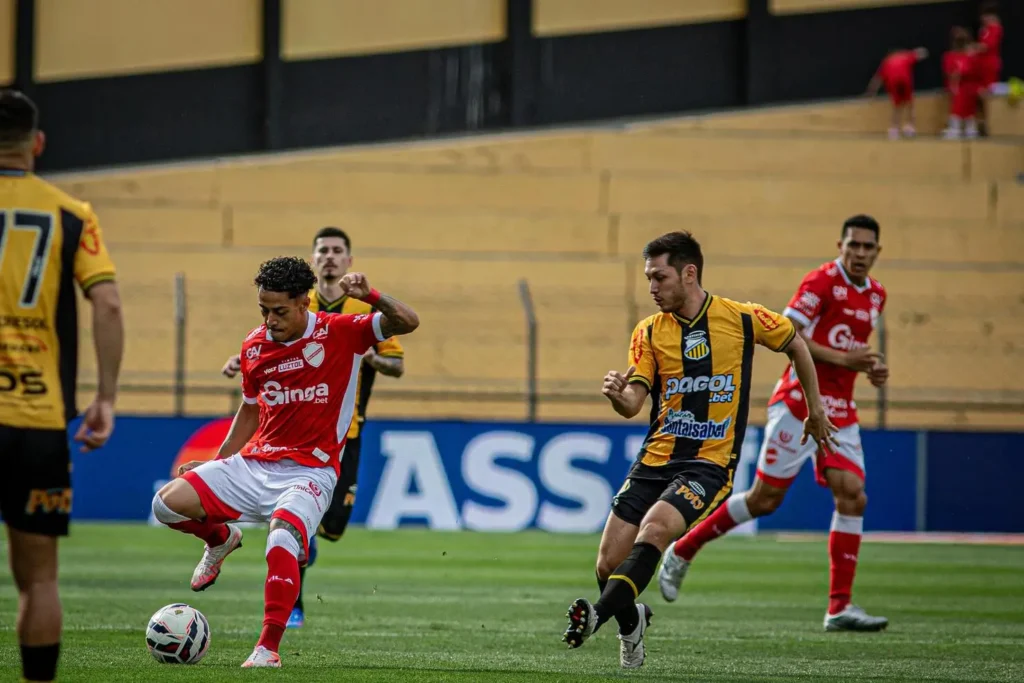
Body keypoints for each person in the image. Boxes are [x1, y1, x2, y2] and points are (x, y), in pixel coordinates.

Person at [562, 231, 837, 669]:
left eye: (659, 277)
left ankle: (595, 617)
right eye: (649, 278)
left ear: (689, 273)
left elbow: (795, 344)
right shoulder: (649, 331)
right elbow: (634, 403)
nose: (651, 288)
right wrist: (617, 395)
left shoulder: (744, 319)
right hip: (654, 460)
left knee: (654, 530)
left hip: (708, 463)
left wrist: (815, 408)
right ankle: (632, 623)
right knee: (607, 564)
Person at [154, 257, 418, 668]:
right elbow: (249, 411)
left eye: (279, 311)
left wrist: (371, 296)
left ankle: (267, 649)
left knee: (282, 540)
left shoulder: (343, 332)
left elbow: (408, 321)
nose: (270, 320)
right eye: (263, 310)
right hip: (255, 462)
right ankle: (220, 539)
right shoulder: (254, 346)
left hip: (311, 471)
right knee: (166, 504)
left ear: (304, 302)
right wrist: (219, 461)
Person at [658, 215, 890, 633]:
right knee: (765, 500)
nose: (859, 254)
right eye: (852, 245)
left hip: (841, 408)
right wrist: (845, 360)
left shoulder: (876, 295)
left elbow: (847, 349)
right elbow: (791, 337)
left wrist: (868, 368)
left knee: (852, 496)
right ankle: (684, 548)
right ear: (840, 245)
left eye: (867, 247)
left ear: (877, 251)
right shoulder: (819, 283)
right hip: (799, 402)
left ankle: (839, 607)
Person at [222, 226, 405, 629]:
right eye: (322, 250)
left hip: (348, 429)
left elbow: (397, 363)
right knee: (291, 524)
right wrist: (242, 365)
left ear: (348, 261)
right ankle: (294, 607)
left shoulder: (359, 314)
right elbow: (266, 350)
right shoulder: (293, 305)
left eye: (337, 251)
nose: (330, 257)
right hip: (297, 437)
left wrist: (364, 356)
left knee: (334, 527)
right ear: (314, 259)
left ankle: (309, 537)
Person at [0, 89, 124, 683]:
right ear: (38, 144)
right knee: (40, 578)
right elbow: (108, 304)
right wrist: (105, 397)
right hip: (37, 416)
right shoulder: (72, 214)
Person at [866, 47, 929, 139]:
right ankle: (910, 128)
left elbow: (877, 80)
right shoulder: (905, 55)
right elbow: (921, 53)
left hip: (893, 81)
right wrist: (924, 52)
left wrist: (871, 92)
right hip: (904, 79)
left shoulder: (886, 62)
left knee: (897, 106)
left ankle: (894, 130)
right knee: (910, 104)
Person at [943, 28, 982, 139]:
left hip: (969, 85)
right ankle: (957, 128)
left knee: (968, 107)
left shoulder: (971, 56)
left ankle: (970, 129)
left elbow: (972, 72)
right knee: (958, 106)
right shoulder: (950, 56)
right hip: (959, 86)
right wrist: (953, 84)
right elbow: (950, 73)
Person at [976, 1, 1004, 136]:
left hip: (989, 66)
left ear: (990, 16)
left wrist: (973, 48)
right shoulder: (985, 29)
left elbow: (986, 47)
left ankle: (989, 123)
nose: (982, 19)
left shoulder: (995, 28)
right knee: (980, 93)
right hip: (981, 66)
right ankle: (982, 121)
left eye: (985, 16)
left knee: (986, 93)